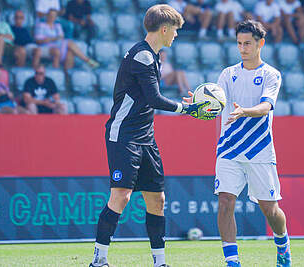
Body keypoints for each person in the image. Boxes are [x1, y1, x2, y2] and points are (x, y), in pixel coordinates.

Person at [89, 4, 217, 267]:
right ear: (165, 29)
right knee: (121, 196)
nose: (176, 36)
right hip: (123, 134)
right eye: (175, 31)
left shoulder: (152, 56)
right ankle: (98, 260)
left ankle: (160, 263)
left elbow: (150, 99)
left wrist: (185, 105)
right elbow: (154, 98)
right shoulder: (142, 56)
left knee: (157, 200)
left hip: (145, 137)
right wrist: (188, 109)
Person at [208, 20, 290, 267]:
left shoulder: (271, 74)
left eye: (247, 44)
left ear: (260, 44)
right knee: (225, 202)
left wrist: (245, 111)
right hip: (229, 148)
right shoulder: (228, 74)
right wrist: (200, 104)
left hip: (259, 150)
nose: (242, 48)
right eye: (239, 43)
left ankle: (282, 243)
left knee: (270, 210)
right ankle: (232, 261)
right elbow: (216, 103)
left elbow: (266, 106)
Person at [34, 9, 98, 70]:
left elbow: (61, 37)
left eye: (54, 16)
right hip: (46, 46)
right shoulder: (41, 25)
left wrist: (52, 39)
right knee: (69, 43)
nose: (52, 17)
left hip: (57, 45)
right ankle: (88, 61)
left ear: (56, 17)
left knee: (70, 52)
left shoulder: (57, 25)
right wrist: (54, 38)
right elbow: (39, 40)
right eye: (50, 15)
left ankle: (66, 76)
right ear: (47, 15)